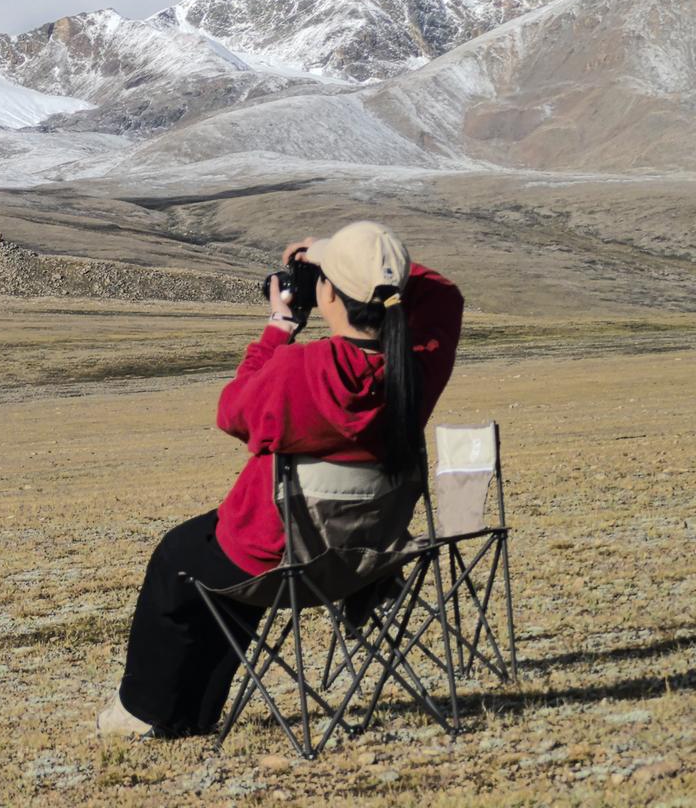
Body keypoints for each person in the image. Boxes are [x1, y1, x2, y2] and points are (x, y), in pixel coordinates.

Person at [97, 221, 464, 738]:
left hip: (280, 560)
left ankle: (142, 711)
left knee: (178, 560)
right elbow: (444, 292)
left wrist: (279, 325)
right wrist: (362, 264)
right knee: (218, 570)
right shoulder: (419, 367)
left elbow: (232, 412)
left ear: (328, 292)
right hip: (367, 560)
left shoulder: (303, 369)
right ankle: (192, 716)